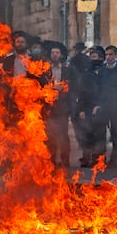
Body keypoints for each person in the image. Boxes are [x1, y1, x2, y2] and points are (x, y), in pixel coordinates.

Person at [43, 40, 71, 168]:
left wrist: (64, 88)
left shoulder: (67, 70)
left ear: (61, 55)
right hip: (49, 106)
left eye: (57, 52)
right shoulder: (44, 70)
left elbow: (73, 85)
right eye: (53, 52)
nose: (55, 55)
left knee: (63, 135)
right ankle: (51, 160)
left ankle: (65, 160)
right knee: (50, 135)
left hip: (62, 106)